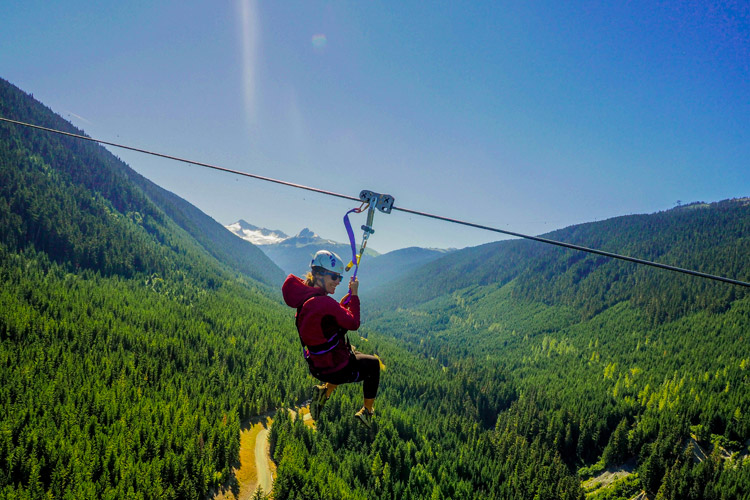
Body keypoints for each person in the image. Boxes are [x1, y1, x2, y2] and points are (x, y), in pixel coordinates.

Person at [282, 250, 381, 428]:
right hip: (334, 369)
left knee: (352, 353)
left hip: (318, 366)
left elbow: (325, 324)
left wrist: (340, 307)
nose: (337, 282)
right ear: (318, 274)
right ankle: (367, 411)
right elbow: (354, 323)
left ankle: (324, 392)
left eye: (340, 278)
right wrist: (355, 295)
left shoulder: (307, 300)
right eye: (334, 277)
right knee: (373, 365)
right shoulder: (324, 302)